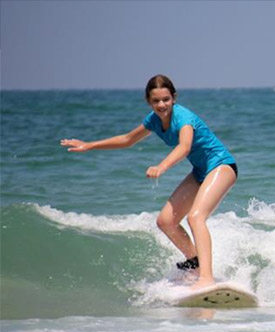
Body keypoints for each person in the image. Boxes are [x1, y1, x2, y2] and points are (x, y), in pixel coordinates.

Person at [60, 74, 236, 289]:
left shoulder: (183, 117)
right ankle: (195, 262)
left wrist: (161, 167)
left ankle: (206, 278)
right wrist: (89, 145)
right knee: (165, 221)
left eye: (166, 99)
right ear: (148, 101)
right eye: (156, 101)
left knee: (196, 217)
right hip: (200, 171)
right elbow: (127, 139)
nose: (162, 105)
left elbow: (184, 147)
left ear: (174, 98)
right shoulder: (153, 120)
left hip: (221, 166)